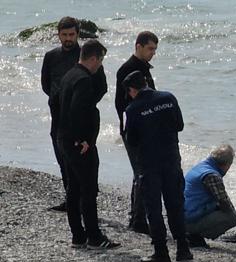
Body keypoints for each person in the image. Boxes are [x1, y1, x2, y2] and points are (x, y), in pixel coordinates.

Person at [123, 70, 192, 262]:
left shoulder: (133, 109)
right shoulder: (168, 98)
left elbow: (132, 139)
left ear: (131, 90)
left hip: (149, 164)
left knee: (154, 207)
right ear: (146, 82)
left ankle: (161, 251)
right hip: (171, 160)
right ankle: (183, 248)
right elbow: (179, 125)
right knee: (175, 204)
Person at [57, 39, 119, 249]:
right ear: (93, 59)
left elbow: (57, 104)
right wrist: (82, 139)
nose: (100, 65)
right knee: (88, 188)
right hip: (78, 143)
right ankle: (94, 235)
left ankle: (78, 235)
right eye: (100, 62)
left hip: (64, 138)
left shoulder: (69, 75)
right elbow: (78, 111)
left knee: (73, 188)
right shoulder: (83, 80)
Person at [41, 16, 107, 211]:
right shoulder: (51, 57)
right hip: (58, 117)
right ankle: (70, 197)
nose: (68, 38)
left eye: (71, 34)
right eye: (64, 35)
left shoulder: (86, 56)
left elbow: (101, 87)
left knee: (84, 160)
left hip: (81, 117)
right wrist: (60, 99)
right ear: (58, 35)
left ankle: (84, 200)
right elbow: (45, 84)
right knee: (63, 157)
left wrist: (82, 103)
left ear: (78, 34)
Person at [115, 31, 159, 234]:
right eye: (150, 48)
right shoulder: (128, 69)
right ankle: (138, 219)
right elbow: (122, 104)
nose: (153, 53)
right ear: (138, 46)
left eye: (155, 49)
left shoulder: (144, 69)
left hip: (146, 129)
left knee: (142, 172)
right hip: (135, 130)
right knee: (142, 173)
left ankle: (137, 217)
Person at [183, 144, 236, 248]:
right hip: (188, 220)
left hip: (180, 214)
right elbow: (225, 204)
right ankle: (194, 237)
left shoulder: (201, 166)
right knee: (233, 217)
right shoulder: (212, 175)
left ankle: (191, 234)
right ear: (227, 164)